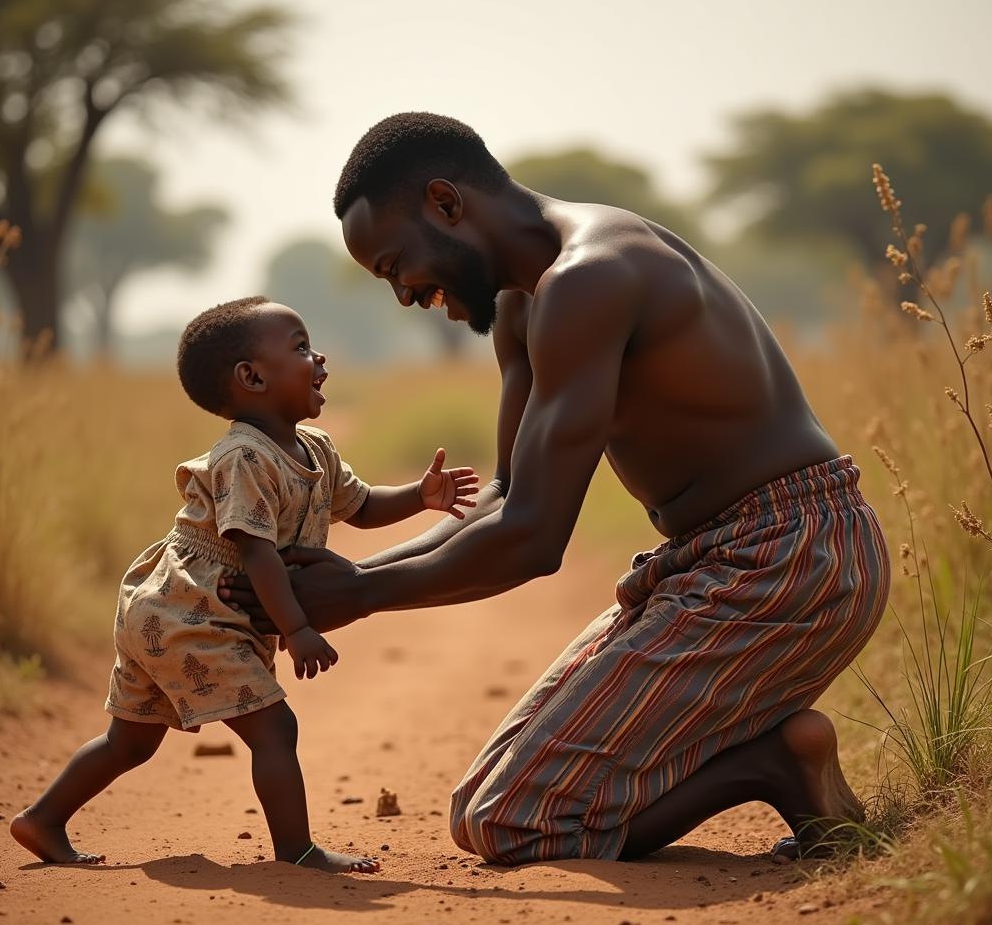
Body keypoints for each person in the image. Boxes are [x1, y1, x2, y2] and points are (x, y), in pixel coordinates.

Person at [219, 113, 891, 867]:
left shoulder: (591, 276)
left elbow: (535, 538)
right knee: (481, 806)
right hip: (709, 565)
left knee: (516, 821)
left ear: (446, 204)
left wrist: (363, 594)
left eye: (394, 265)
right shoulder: (524, 302)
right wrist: (346, 579)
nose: (406, 296)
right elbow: (508, 493)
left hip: (792, 562)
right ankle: (777, 755)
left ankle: (773, 765)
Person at [11, 295, 478, 873]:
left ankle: (42, 819)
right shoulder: (244, 458)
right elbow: (257, 553)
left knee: (130, 742)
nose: (320, 358)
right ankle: (297, 850)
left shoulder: (315, 449)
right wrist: (299, 628)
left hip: (171, 611)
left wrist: (419, 497)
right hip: (191, 613)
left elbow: (358, 506)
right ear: (252, 377)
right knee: (275, 726)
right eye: (302, 348)